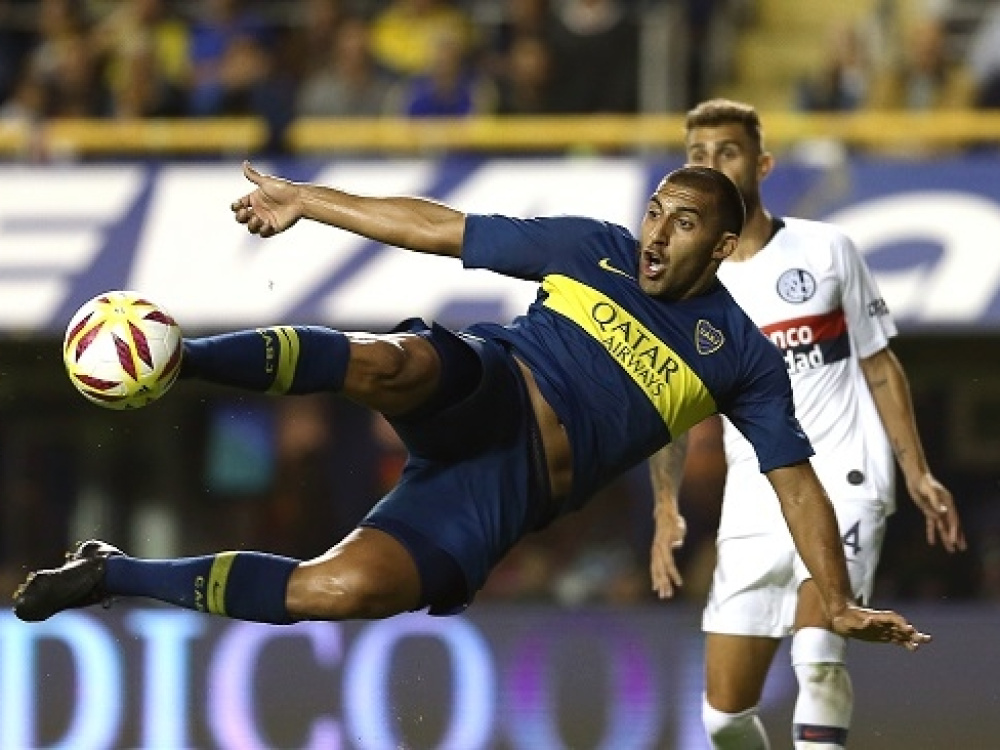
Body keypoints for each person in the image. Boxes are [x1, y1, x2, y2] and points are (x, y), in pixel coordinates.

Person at [13, 161, 927, 659]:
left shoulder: (744, 360)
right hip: (490, 389)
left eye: (681, 224)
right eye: (656, 211)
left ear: (723, 246)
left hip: (502, 497)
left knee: (338, 591)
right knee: (395, 364)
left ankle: (108, 575)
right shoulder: (594, 248)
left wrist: (839, 600)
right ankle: (180, 362)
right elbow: (439, 227)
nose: (656, 232)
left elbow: (795, 482)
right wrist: (307, 202)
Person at [648, 99, 965, 750]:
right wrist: (665, 506)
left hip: (844, 474)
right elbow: (672, 411)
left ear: (762, 165)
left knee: (817, 658)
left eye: (728, 152)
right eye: (698, 155)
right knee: (723, 720)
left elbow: (879, 365)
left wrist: (917, 471)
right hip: (754, 496)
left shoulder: (827, 249)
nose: (712, 164)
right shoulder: (685, 292)